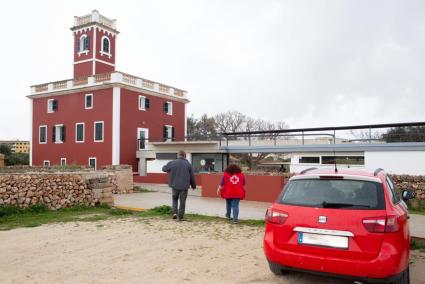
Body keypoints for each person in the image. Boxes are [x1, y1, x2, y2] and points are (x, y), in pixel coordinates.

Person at [162, 150, 196, 221]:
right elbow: (192, 176)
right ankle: (181, 217)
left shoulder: (172, 162)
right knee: (182, 202)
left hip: (174, 186)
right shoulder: (188, 164)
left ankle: (174, 213)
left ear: (178, 155)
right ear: (185, 156)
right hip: (184, 187)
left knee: (174, 199)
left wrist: (168, 168)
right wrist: (193, 186)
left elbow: (164, 169)